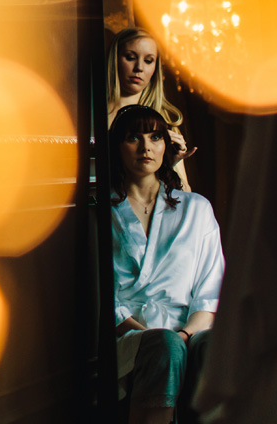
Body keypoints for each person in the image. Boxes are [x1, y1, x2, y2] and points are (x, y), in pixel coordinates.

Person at [110, 105, 224, 424]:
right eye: (134, 137)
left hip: (189, 330)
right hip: (128, 336)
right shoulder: (100, 211)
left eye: (155, 137)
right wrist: (159, 338)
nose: (146, 146)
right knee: (164, 344)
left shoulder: (196, 209)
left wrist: (185, 336)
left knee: (214, 343)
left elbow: (209, 292)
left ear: (166, 146)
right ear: (118, 146)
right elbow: (101, 297)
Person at [107, 27, 194, 190]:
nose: (139, 67)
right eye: (130, 57)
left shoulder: (164, 121)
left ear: (155, 68)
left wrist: (173, 164)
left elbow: (184, 194)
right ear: (115, 59)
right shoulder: (91, 115)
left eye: (148, 60)